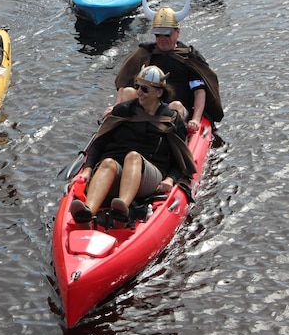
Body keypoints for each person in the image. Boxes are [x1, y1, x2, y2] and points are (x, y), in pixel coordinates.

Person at [70, 65, 196, 230]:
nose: (139, 92)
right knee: (108, 162)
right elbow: (98, 143)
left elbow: (180, 159)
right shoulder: (123, 110)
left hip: (149, 175)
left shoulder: (171, 120)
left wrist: (170, 179)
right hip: (117, 170)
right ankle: (87, 213)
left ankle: (121, 210)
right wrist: (87, 169)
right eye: (137, 87)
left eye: (145, 89)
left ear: (159, 92)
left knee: (133, 157)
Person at [103, 0, 224, 132]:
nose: (162, 39)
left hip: (174, 110)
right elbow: (125, 82)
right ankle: (118, 129)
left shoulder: (189, 58)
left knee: (175, 106)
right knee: (128, 91)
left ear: (177, 32)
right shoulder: (145, 52)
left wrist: (195, 119)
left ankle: (172, 140)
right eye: (158, 35)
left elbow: (199, 91)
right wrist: (116, 106)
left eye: (167, 35)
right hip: (146, 102)